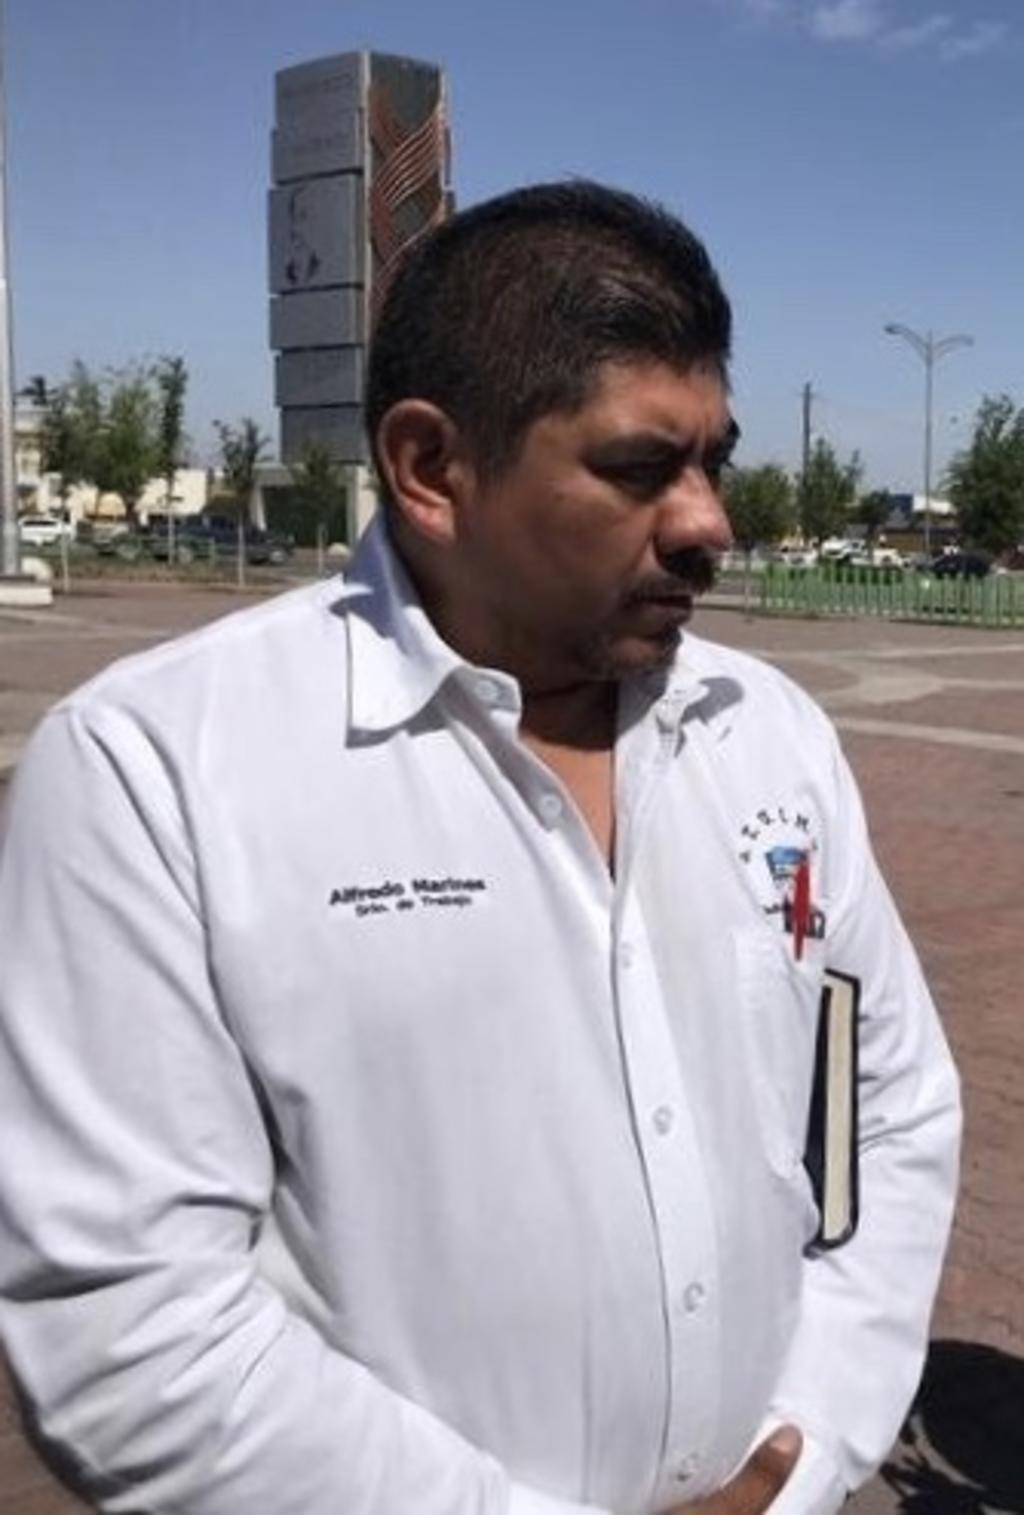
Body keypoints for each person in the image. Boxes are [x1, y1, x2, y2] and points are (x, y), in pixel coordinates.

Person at [0, 182, 960, 1515]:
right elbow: (126, 1323)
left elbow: (887, 1113)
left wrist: (808, 1454)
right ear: (430, 467)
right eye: (641, 468)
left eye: (714, 462)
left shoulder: (772, 736)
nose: (708, 524)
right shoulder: (159, 768)